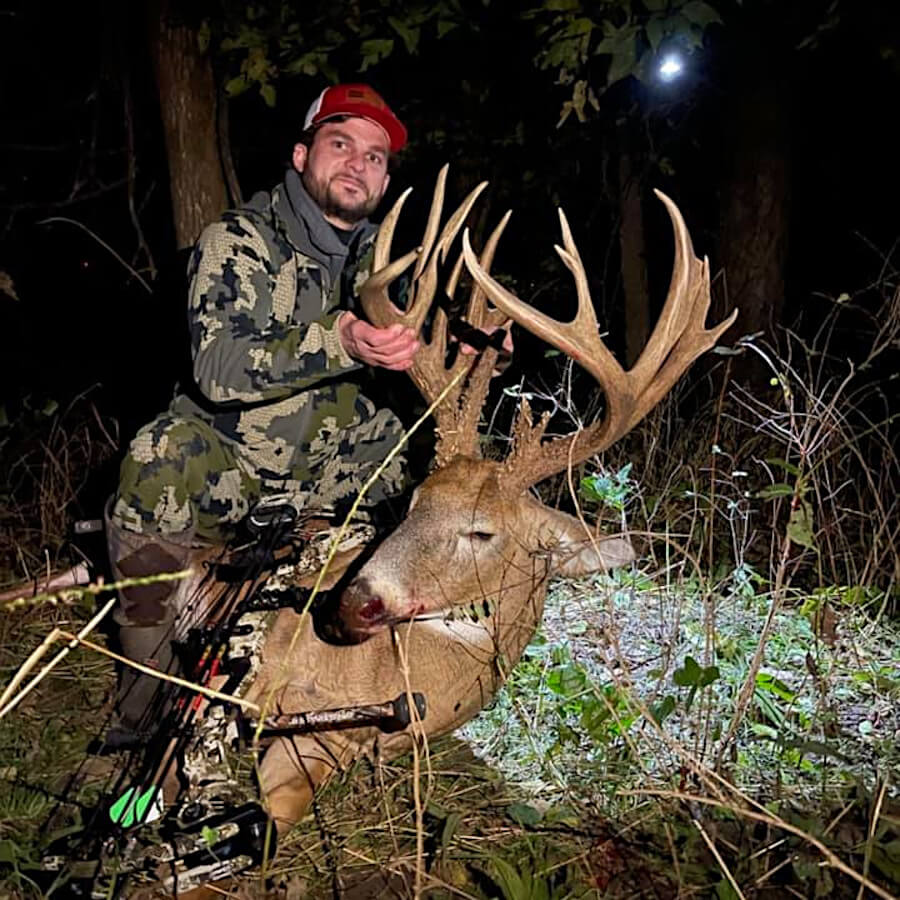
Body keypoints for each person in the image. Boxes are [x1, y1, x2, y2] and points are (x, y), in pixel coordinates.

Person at [105, 84, 424, 740]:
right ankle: (149, 702)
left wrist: (489, 357)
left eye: (375, 157)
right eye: (341, 145)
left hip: (341, 470)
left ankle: (425, 662)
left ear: (386, 180)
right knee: (157, 458)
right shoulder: (239, 239)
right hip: (239, 466)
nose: (358, 164)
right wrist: (339, 340)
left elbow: (432, 367)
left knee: (449, 476)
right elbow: (217, 370)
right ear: (302, 155)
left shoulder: (395, 267)